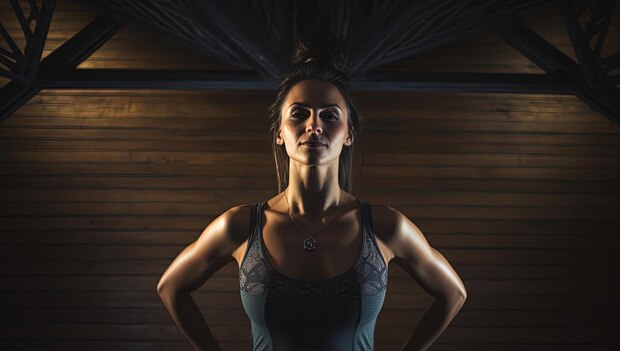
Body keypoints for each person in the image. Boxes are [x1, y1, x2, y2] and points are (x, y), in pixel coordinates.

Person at [157, 29, 467, 351]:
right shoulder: (240, 226)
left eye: (329, 115)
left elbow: (454, 294)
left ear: (348, 135)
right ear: (280, 132)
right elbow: (171, 287)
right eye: (299, 113)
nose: (313, 125)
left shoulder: (387, 227)